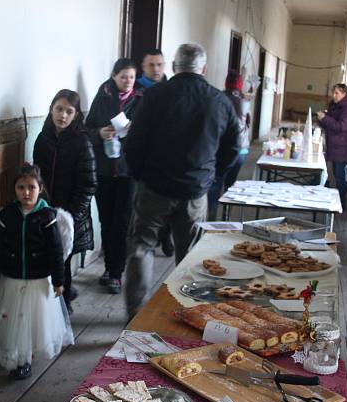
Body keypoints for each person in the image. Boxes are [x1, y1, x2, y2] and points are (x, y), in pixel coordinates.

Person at [123, 43, 241, 317]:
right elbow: (234, 147)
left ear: (175, 67)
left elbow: (134, 141)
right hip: (195, 190)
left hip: (154, 187)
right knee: (190, 255)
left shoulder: (154, 96)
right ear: (204, 68)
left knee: (141, 247)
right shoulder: (219, 100)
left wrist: (139, 174)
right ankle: (186, 312)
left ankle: (134, 314)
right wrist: (212, 175)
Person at [0, 165, 73, 379]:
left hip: (37, 281)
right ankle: (16, 358)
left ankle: (26, 358)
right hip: (11, 279)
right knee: (12, 320)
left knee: (31, 322)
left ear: (40, 188)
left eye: (31, 187)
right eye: (21, 187)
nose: (26, 192)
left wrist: (59, 280)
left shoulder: (47, 216)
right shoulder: (6, 215)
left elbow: (56, 251)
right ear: (14, 189)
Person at [33, 89, 97, 315]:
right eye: (59, 109)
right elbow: (36, 178)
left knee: (62, 260)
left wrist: (70, 216)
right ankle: (47, 304)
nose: (63, 115)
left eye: (69, 111)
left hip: (71, 214)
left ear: (76, 115)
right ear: (51, 109)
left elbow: (88, 185)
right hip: (46, 211)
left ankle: (64, 305)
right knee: (46, 256)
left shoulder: (82, 142)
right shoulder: (43, 139)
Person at [85, 58, 143, 294]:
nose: (128, 81)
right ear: (114, 75)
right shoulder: (102, 97)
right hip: (104, 170)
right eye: (123, 77)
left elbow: (149, 133)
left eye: (131, 77)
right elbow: (86, 131)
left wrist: (133, 133)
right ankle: (109, 269)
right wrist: (100, 133)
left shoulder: (141, 99)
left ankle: (116, 273)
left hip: (128, 171)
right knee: (106, 221)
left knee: (121, 222)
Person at [136, 48, 174, 257]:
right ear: (143, 67)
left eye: (159, 64)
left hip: (166, 155)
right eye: (151, 64)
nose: (156, 68)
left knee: (168, 201)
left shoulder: (171, 89)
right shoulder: (136, 89)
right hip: (143, 156)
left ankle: (165, 235)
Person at [208, 71, 252, 220]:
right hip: (240, 150)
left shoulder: (217, 98)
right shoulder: (245, 101)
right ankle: (225, 216)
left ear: (226, 83)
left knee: (216, 182)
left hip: (219, 148)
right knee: (230, 185)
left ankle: (211, 215)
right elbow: (248, 124)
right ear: (240, 84)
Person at [317, 83, 347, 206]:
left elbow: (341, 126)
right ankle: (336, 198)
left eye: (337, 93)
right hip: (336, 146)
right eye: (334, 92)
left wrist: (325, 119)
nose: (334, 95)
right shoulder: (335, 106)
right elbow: (330, 123)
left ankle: (340, 202)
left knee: (340, 176)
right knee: (336, 174)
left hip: (345, 148)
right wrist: (322, 118)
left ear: (344, 93)